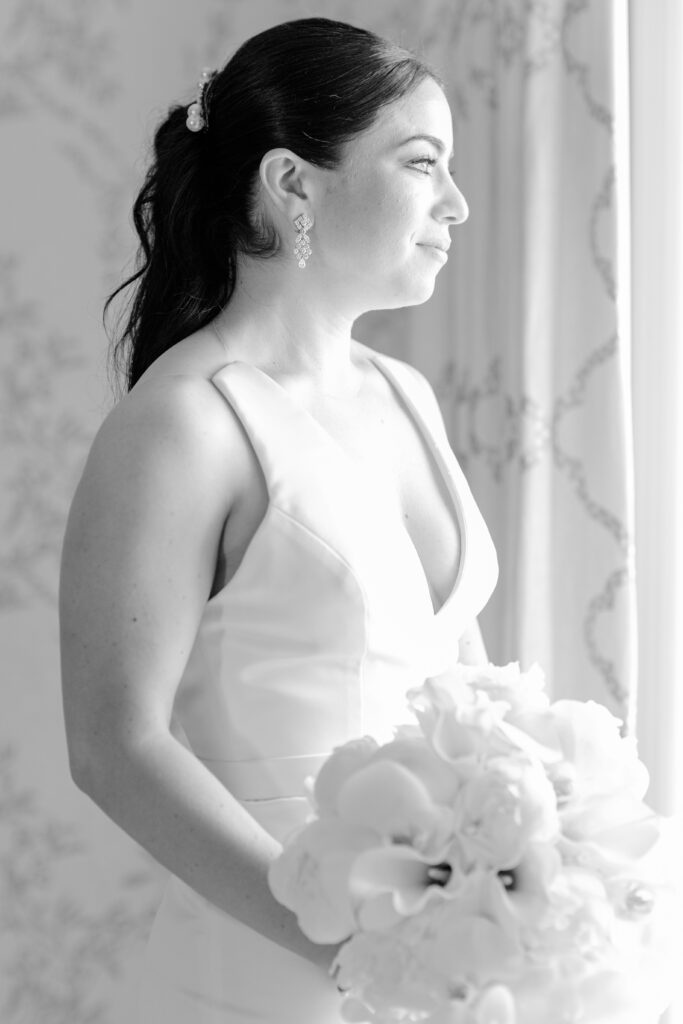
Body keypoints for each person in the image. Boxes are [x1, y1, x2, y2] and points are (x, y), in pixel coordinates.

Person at [58, 16, 498, 1024]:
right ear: (293, 184)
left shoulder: (404, 395)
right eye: (422, 165)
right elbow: (114, 745)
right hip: (266, 969)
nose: (457, 205)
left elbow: (458, 688)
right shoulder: (184, 421)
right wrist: (338, 942)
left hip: (433, 965)